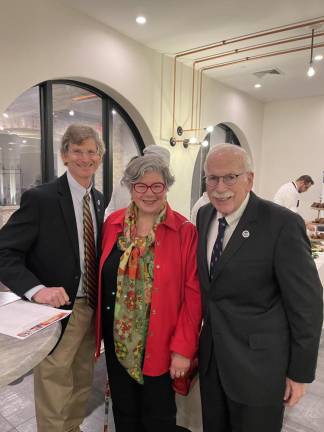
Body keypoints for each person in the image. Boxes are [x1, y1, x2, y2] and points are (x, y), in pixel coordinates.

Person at [196, 143, 323, 432]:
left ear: (249, 179)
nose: (220, 186)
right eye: (212, 178)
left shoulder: (282, 224)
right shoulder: (204, 216)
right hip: (213, 361)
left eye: (230, 177)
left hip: (259, 369)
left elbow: (307, 305)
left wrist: (299, 373)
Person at [0, 124, 105, 432]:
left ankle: (73, 428)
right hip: (57, 312)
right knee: (55, 381)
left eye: (91, 151)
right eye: (77, 151)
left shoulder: (98, 199)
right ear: (64, 156)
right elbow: (4, 252)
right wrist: (37, 290)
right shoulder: (41, 198)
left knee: (83, 376)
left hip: (91, 306)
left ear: (100, 157)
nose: (85, 158)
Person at [96, 154, 202, 432]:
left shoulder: (184, 231)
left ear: (167, 187)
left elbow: (193, 297)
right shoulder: (113, 224)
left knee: (158, 417)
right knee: (124, 411)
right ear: (130, 188)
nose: (149, 193)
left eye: (157, 185)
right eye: (140, 186)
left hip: (162, 344)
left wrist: (183, 349)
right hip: (118, 342)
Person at [104, 145, 171, 218]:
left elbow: (109, 211)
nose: (149, 193)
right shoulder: (129, 185)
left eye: (157, 186)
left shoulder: (122, 182)